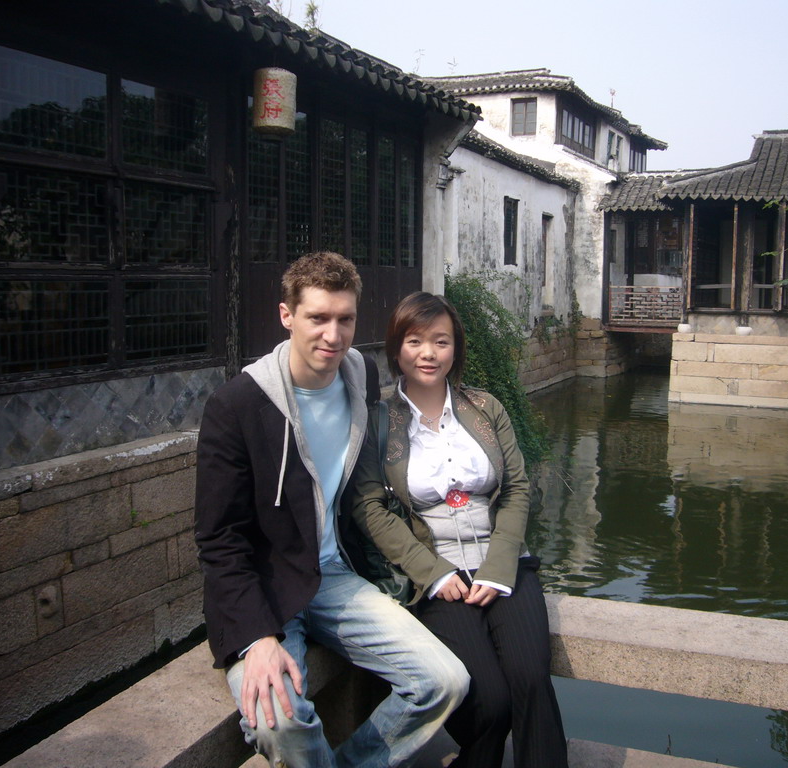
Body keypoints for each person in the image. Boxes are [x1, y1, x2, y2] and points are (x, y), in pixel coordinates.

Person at [194, 254, 469, 768]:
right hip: (266, 589)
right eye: (318, 317)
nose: (333, 334)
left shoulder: (359, 374)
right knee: (280, 723)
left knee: (445, 681)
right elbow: (219, 539)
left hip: (335, 576)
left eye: (345, 319)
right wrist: (257, 639)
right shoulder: (236, 406)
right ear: (287, 316)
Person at [352, 292, 568, 768]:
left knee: (531, 679)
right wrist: (432, 572)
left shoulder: (486, 408)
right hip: (437, 576)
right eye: (414, 341)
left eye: (440, 341)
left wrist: (499, 566)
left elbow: (515, 488)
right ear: (396, 350)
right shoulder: (379, 422)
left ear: (456, 349)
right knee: (487, 700)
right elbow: (370, 507)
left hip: (503, 563)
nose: (428, 353)